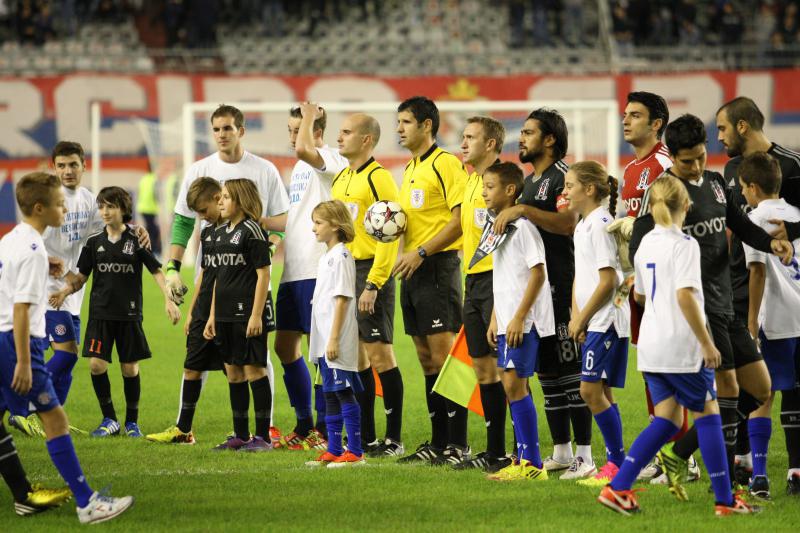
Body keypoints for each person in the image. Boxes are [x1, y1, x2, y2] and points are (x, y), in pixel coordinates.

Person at [629, 114, 792, 499]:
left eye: (701, 157)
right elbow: (639, 245)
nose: (697, 166)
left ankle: (680, 453)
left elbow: (742, 225)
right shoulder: (664, 193)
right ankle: (728, 482)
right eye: (687, 161)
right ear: (673, 159)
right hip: (696, 309)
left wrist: (772, 243)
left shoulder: (717, 184)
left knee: (761, 386)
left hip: (726, 302)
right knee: (728, 389)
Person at [597, 175, 758, 516]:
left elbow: (639, 296)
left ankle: (618, 488)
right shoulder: (685, 245)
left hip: (651, 346)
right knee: (709, 416)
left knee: (668, 420)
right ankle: (725, 501)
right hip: (680, 347)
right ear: (686, 205)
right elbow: (685, 295)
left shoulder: (644, 245)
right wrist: (706, 343)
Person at [0, 172, 133, 524]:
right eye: (60, 205)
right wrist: (24, 362)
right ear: (40, 208)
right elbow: (21, 309)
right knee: (56, 419)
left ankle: (23, 496)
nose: (65, 210)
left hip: (1, 337)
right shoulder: (32, 251)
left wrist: (47, 263)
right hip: (16, 341)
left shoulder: (13, 239)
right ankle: (87, 503)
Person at [164, 104, 288, 446]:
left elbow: (281, 220)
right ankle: (200, 428)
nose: (221, 134)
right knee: (219, 360)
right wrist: (173, 266)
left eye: (227, 128)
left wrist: (267, 248)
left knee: (255, 360)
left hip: (249, 284)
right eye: (216, 129)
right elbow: (183, 221)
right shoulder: (199, 169)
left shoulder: (264, 170)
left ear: (241, 131)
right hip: (215, 280)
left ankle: (265, 429)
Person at [9, 141, 150, 438]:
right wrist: (56, 267)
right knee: (66, 355)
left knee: (68, 359)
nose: (67, 171)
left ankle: (51, 417)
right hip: (48, 292)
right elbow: (32, 242)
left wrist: (137, 229)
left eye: (73, 164)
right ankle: (21, 407)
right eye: (61, 165)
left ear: (84, 166)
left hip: (74, 293)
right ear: (54, 167)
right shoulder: (49, 201)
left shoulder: (88, 200)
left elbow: (113, 226)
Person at [494, 109, 593, 479]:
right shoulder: (530, 182)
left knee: (571, 374)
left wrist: (523, 209)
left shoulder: (562, 177)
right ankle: (562, 451)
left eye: (529, 132)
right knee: (549, 374)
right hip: (539, 296)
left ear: (549, 139)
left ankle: (585, 456)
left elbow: (568, 223)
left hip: (564, 288)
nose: (521, 138)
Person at [50, 187, 181, 438]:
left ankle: (132, 422)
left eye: (110, 206)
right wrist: (64, 292)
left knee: (129, 369)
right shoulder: (93, 242)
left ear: (123, 209)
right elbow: (81, 277)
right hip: (100, 315)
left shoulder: (136, 240)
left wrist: (169, 300)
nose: (105, 211)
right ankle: (109, 419)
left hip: (129, 316)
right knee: (96, 365)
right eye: (101, 207)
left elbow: (156, 271)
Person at [716, 96, 800, 486]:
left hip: (773, 300)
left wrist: (790, 234)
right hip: (736, 291)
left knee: (770, 387)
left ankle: (767, 468)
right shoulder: (731, 169)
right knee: (745, 381)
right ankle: (744, 461)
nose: (720, 137)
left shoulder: (792, 164)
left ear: (742, 126)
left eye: (722, 128)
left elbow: (773, 241)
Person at [612, 91, 695, 483]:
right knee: (652, 365)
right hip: (642, 278)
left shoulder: (665, 164)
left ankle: (683, 458)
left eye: (635, 115)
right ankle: (664, 454)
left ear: (657, 123)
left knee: (669, 364)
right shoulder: (632, 169)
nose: (626, 120)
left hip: (667, 279)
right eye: (625, 114)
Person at [392, 96, 469, 465]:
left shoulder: (446, 164)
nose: (399, 129)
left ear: (427, 125)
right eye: (398, 122)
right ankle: (438, 443)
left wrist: (421, 252)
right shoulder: (410, 168)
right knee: (426, 359)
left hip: (438, 266)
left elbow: (459, 220)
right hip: (413, 270)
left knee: (445, 357)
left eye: (406, 122)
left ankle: (458, 444)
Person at [274, 103, 348, 451]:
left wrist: (308, 117)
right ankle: (304, 423)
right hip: (293, 269)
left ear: (316, 130)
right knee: (284, 346)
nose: (293, 138)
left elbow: (305, 148)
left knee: (319, 351)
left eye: (298, 129)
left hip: (317, 269)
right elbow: (294, 218)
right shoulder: (301, 166)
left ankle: (323, 427)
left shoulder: (329, 159)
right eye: (290, 130)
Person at [331, 113, 404, 456]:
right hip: (346, 270)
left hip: (370, 271)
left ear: (366, 140)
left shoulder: (379, 178)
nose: (339, 137)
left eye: (346, 132)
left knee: (380, 355)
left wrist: (374, 283)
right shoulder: (341, 178)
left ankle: (394, 439)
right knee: (357, 359)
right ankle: (367, 438)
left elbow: (391, 233)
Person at [482, 162, 552, 482]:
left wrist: (520, 317)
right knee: (511, 385)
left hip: (523, 321)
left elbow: (537, 273)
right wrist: (496, 318)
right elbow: (504, 278)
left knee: (514, 384)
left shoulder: (523, 228)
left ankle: (532, 463)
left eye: (490, 187)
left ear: (510, 190)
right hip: (507, 320)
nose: (484, 192)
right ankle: (523, 460)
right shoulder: (498, 227)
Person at [563, 161, 629, 487]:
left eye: (569, 185)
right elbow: (582, 276)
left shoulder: (602, 223)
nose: (565, 192)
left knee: (588, 390)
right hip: (592, 319)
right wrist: (576, 316)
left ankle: (617, 464)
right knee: (601, 390)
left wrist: (583, 317)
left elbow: (609, 280)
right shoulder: (583, 224)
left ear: (589, 189)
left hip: (606, 319)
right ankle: (616, 464)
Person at [738, 152, 800, 498]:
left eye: (742, 187)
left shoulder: (754, 220)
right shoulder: (797, 215)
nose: (741, 193)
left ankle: (760, 475)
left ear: (753, 187)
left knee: (763, 394)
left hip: (775, 320)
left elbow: (758, 272)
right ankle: (795, 471)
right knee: (796, 394)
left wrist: (751, 324)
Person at [146, 177, 225, 444]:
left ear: (218, 198)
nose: (202, 217)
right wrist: (192, 310)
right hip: (204, 306)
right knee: (192, 367)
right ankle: (183, 430)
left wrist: (213, 313)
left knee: (236, 372)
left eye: (203, 211)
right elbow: (205, 272)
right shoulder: (209, 231)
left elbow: (226, 276)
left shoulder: (238, 230)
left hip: (227, 307)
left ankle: (248, 434)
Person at [452, 116, 510, 472]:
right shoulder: (470, 180)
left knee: (508, 370)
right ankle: (494, 451)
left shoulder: (502, 183)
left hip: (497, 279)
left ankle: (522, 451)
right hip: (472, 281)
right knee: (483, 369)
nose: (463, 142)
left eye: (470, 137)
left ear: (490, 144)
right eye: (463, 136)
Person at [202, 180, 274, 452]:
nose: (220, 201)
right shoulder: (220, 233)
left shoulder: (252, 230)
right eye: (220, 197)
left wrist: (256, 316)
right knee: (233, 373)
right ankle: (241, 435)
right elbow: (218, 278)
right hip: (223, 315)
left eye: (226, 197)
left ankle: (263, 437)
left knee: (254, 371)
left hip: (247, 315)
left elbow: (263, 275)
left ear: (241, 200)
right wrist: (212, 315)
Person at [304, 200, 365, 467]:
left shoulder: (341, 256)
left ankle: (355, 452)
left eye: (318, 223)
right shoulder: (326, 257)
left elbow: (342, 299)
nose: (314, 228)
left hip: (335, 339)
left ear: (336, 226)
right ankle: (334, 449)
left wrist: (333, 339)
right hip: (324, 339)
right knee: (329, 393)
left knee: (343, 392)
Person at [137, 166, 162, 258]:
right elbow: (156, 194)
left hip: (142, 208)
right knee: (153, 231)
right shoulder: (154, 179)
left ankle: (149, 250)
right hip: (151, 209)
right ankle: (153, 251)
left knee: (150, 229)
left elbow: (139, 193)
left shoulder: (143, 179)